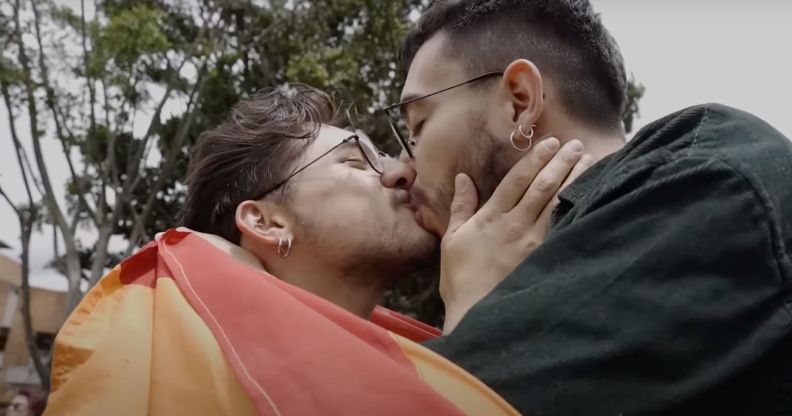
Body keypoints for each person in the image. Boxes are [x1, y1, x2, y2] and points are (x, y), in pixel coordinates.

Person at [44, 86, 587, 415]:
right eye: (355, 162)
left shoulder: (414, 353)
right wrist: (480, 330)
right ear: (264, 220)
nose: (402, 172)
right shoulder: (174, 365)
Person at [383, 0, 792, 414]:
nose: (405, 167)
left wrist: (472, 314)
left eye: (417, 125)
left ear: (519, 103)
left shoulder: (705, 179)